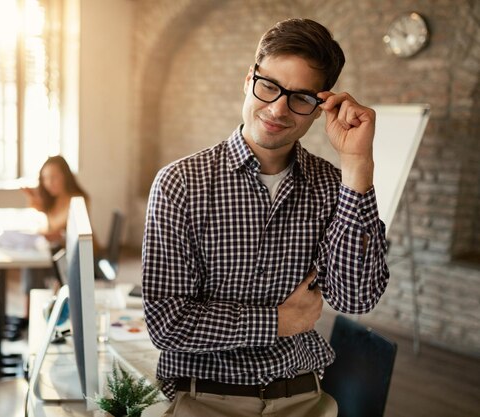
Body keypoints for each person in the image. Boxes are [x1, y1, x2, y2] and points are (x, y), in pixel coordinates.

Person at [142, 18, 390, 417]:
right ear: (248, 80)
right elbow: (167, 325)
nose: (277, 108)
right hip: (204, 398)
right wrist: (277, 322)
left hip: (304, 397)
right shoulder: (180, 183)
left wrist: (357, 164)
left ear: (320, 107)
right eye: (270, 86)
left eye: (301, 97)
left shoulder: (332, 186)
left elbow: (356, 297)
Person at [20, 155, 89, 323]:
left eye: (53, 177)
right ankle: (31, 315)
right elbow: (49, 225)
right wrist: (33, 200)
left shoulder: (78, 200)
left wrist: (54, 234)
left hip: (76, 258)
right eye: (45, 178)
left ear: (65, 176)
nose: (48, 183)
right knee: (31, 261)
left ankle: (31, 316)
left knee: (32, 264)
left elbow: (62, 230)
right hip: (58, 252)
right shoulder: (54, 200)